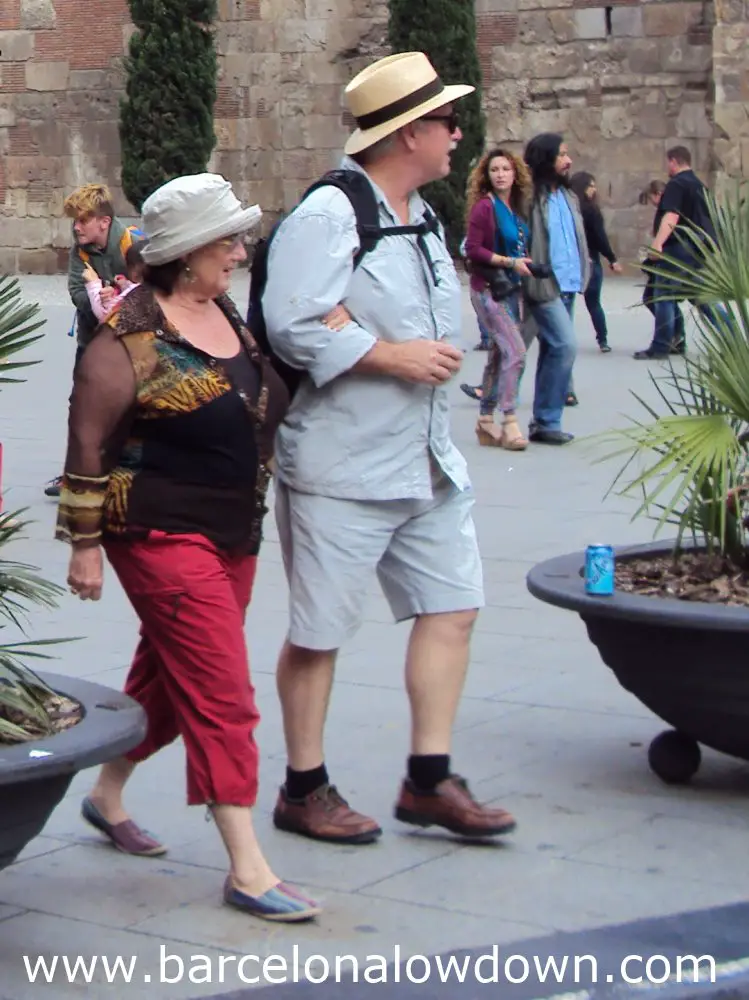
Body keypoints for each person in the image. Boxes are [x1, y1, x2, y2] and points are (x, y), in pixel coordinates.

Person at [261, 52, 518, 846]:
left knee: (453, 606)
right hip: (342, 464)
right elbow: (293, 319)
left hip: (424, 456)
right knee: (319, 630)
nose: (457, 134)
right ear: (409, 132)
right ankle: (304, 788)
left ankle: (428, 778)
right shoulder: (330, 216)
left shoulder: (421, 214)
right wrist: (387, 354)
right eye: (446, 121)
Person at [56, 172, 320, 923]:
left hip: (233, 530)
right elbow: (86, 442)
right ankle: (247, 866)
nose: (239, 251)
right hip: (159, 530)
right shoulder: (128, 340)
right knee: (222, 692)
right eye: (226, 241)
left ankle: (106, 797)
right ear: (187, 254)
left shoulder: (224, 313)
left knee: (172, 679)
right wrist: (85, 547)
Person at [44, 183, 144, 499]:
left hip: (131, 343)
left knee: (134, 405)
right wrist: (94, 297)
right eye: (74, 220)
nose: (76, 227)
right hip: (92, 341)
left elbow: (151, 290)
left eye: (82, 220)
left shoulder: (132, 243)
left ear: (103, 221)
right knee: (81, 406)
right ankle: (76, 473)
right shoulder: (80, 252)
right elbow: (76, 292)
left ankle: (131, 472)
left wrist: (116, 295)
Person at [461, 147, 533, 449]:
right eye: (494, 170)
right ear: (487, 176)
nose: (500, 174)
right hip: (487, 289)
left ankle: (485, 421)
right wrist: (508, 262)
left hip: (510, 288)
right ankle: (510, 420)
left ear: (515, 173)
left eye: (505, 169)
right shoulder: (485, 208)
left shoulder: (515, 209)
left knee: (500, 353)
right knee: (516, 351)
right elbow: (472, 248)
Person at [523, 133, 590, 441]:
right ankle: (547, 421)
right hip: (544, 285)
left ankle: (544, 421)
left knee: (553, 348)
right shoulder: (530, 199)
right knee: (565, 346)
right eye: (562, 155)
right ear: (546, 160)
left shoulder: (569, 196)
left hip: (569, 283)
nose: (569, 160)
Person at [634, 146, 722, 360]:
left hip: (679, 248)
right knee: (701, 297)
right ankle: (731, 336)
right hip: (698, 249)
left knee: (662, 295)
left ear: (673, 161)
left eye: (667, 162)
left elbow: (671, 217)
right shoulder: (699, 186)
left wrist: (657, 245)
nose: (667, 167)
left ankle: (661, 346)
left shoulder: (677, 184)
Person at [569, 172, 623, 353]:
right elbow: (600, 238)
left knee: (566, 301)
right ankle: (603, 339)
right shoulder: (591, 210)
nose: (594, 189)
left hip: (570, 260)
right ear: (583, 188)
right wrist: (612, 258)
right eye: (591, 186)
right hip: (590, 260)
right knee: (594, 303)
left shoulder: (568, 209)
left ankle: (563, 337)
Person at [639, 180, 686, 354]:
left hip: (668, 260)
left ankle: (672, 337)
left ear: (657, 194)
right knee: (660, 299)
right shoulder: (665, 210)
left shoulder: (668, 210)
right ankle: (676, 335)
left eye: (651, 198)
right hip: (665, 260)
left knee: (661, 298)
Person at [82, 241, 145, 323]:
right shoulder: (157, 288)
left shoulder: (135, 292)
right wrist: (125, 285)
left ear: (134, 271)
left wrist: (93, 284)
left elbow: (106, 316)